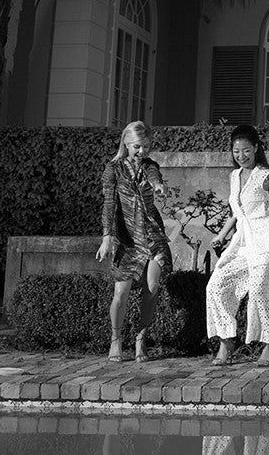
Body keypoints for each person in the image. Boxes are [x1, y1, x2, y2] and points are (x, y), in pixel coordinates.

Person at [206, 125, 269, 366]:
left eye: (246, 151)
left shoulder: (268, 176)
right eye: (236, 151)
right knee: (216, 285)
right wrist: (221, 235)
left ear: (256, 148)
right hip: (242, 241)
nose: (241, 156)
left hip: (267, 240)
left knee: (261, 289)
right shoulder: (234, 176)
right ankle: (226, 340)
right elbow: (236, 213)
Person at [95, 121, 172, 363]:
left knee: (152, 286)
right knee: (122, 292)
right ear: (127, 144)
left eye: (147, 146)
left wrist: (158, 186)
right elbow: (109, 205)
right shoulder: (113, 169)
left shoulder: (150, 166)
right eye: (138, 146)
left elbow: (154, 176)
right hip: (127, 237)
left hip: (152, 233)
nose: (142, 151)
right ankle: (116, 339)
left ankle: (141, 338)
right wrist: (107, 238)